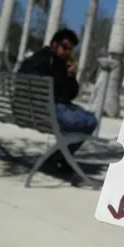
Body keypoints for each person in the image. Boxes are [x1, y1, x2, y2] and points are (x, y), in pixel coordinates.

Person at [19, 29, 97, 171]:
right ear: (54, 44)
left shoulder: (36, 59)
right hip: (44, 111)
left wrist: (71, 75)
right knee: (87, 122)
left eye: (70, 49)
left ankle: (59, 157)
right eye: (65, 47)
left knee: (90, 119)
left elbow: (69, 94)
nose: (67, 52)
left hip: (29, 110)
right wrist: (67, 76)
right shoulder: (49, 61)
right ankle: (60, 157)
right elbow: (63, 93)